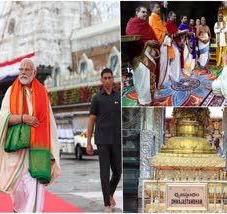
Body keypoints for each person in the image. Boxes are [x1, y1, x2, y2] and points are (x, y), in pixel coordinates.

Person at [0, 58, 60, 212]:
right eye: (21, 69)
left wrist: (53, 150)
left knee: (35, 190)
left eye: (27, 69)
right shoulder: (10, 91)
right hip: (16, 153)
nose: (23, 72)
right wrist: (22, 118)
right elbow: (2, 118)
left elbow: (50, 123)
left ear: (34, 73)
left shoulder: (42, 93)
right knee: (17, 193)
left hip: (37, 152)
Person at [86, 68, 121, 213]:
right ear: (101, 81)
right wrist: (88, 142)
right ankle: (107, 204)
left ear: (113, 79)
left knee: (118, 172)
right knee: (104, 173)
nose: (107, 80)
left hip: (117, 140)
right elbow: (91, 120)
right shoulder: (97, 98)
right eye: (104, 78)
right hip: (102, 141)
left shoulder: (119, 97)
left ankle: (110, 193)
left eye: (109, 78)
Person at [125, 5, 159, 105]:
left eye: (146, 12)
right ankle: (144, 102)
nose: (145, 14)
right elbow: (131, 42)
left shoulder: (146, 25)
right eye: (143, 12)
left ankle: (148, 101)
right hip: (138, 57)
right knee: (142, 80)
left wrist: (153, 43)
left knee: (149, 80)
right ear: (137, 12)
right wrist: (147, 43)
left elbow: (154, 38)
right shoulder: (131, 24)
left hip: (149, 56)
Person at [148, 2, 174, 88]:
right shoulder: (152, 18)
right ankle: (158, 84)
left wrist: (165, 33)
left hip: (164, 43)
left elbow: (163, 29)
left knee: (163, 64)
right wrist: (164, 33)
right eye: (157, 7)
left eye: (159, 7)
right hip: (159, 44)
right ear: (152, 9)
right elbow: (155, 32)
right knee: (160, 64)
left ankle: (161, 82)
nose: (159, 9)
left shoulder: (158, 18)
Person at [165, 11, 183, 82]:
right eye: (174, 16)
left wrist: (178, 33)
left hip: (176, 43)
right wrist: (176, 33)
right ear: (170, 17)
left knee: (177, 58)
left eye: (175, 16)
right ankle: (172, 75)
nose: (175, 17)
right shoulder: (167, 24)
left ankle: (176, 76)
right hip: (171, 44)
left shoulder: (174, 24)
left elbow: (176, 33)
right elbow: (168, 35)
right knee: (174, 58)